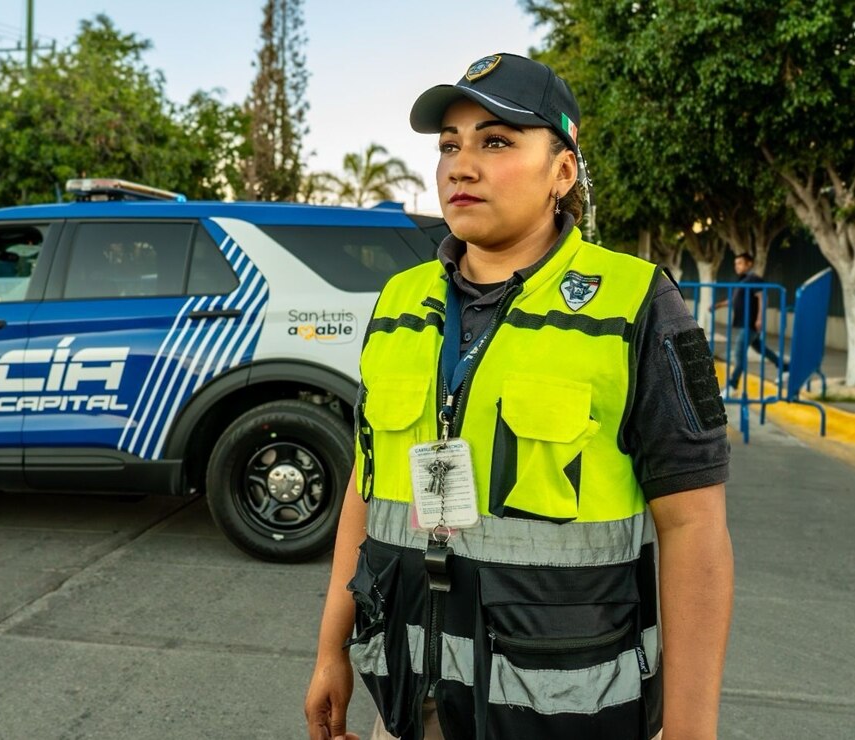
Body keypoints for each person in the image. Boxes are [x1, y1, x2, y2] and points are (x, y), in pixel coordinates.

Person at [304, 53, 733, 740]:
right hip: (412, 702)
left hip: (565, 712)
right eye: (449, 145)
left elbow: (693, 528)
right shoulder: (398, 302)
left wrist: (689, 729)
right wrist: (330, 650)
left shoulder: (635, 305)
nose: (460, 165)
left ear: (561, 171)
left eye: (495, 141)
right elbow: (367, 481)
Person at [725, 252, 788, 393]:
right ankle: (784, 367)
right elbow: (733, 300)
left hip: (750, 323)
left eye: (740, 263)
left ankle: (732, 385)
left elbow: (762, 297)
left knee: (739, 353)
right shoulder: (742, 280)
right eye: (736, 263)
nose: (737, 266)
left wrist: (760, 318)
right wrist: (716, 306)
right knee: (760, 349)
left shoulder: (754, 279)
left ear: (749, 264)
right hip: (745, 323)